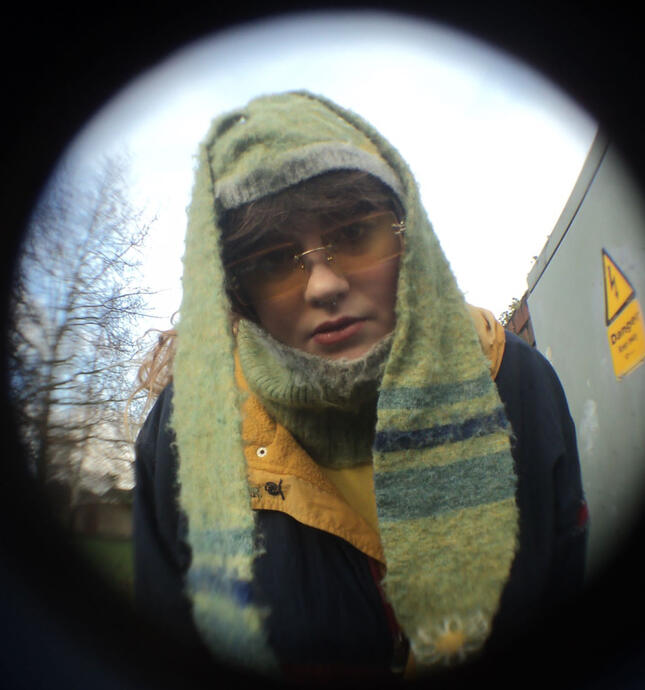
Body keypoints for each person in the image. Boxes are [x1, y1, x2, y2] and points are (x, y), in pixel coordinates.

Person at [132, 90, 588, 682]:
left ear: (409, 235)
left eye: (354, 234)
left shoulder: (513, 379)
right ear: (238, 293)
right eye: (273, 261)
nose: (323, 284)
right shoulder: (184, 432)